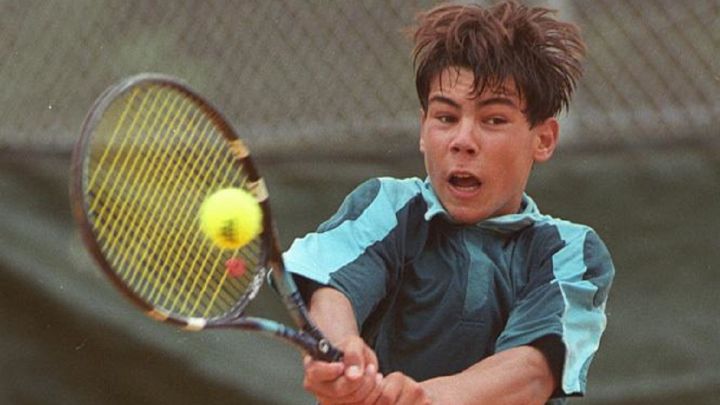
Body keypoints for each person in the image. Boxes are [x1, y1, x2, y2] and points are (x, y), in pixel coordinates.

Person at [284, 1, 615, 403]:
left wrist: (421, 399)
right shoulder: (389, 208)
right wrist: (341, 353)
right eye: (445, 118)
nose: (462, 140)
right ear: (424, 128)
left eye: (493, 119)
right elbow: (332, 289)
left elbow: (530, 373)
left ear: (543, 139)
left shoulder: (570, 253)